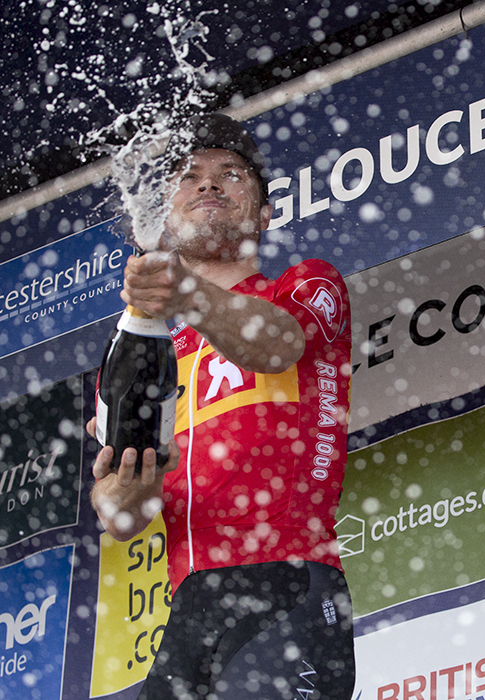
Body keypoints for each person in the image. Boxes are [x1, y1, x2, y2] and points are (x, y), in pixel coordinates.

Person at [88, 113, 355, 700]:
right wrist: (124, 489)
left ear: (264, 215)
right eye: (189, 175)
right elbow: (123, 518)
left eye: (231, 174)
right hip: (189, 606)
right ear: (166, 217)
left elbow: (276, 345)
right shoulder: (152, 358)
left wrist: (183, 289)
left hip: (286, 581)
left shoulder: (306, 285)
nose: (208, 184)